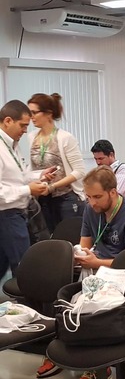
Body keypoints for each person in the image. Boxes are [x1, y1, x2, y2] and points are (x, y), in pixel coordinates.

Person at [37, 166, 125, 379]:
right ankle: (64, 343)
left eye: (97, 197)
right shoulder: (91, 210)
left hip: (124, 276)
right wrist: (78, 256)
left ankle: (100, 366)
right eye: (88, 197)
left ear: (113, 192)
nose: (92, 203)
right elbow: (86, 244)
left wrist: (96, 263)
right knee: (59, 287)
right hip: (95, 270)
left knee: (94, 305)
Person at [0, 100, 49, 281]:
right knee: (23, 267)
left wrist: (39, 176)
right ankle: (26, 307)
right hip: (6, 215)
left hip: (16, 214)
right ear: (7, 121)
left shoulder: (12, 145)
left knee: (8, 265)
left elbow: (19, 175)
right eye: (22, 125)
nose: (25, 130)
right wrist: (28, 189)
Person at [27, 93, 85, 234]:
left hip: (66, 198)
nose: (31, 117)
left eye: (34, 112)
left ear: (48, 114)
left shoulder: (65, 137)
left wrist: (53, 187)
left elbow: (79, 171)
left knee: (69, 240)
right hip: (43, 198)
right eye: (30, 113)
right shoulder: (32, 137)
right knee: (49, 242)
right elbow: (32, 168)